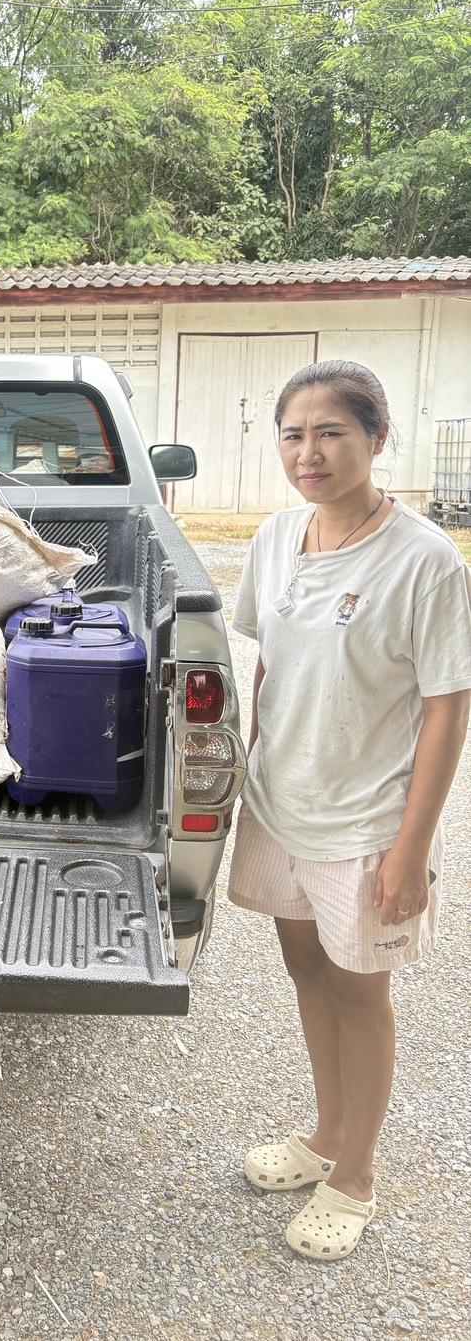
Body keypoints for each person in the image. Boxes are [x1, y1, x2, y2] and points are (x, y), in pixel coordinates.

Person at [226, 359, 471, 1262]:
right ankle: (325, 1132)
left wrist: (414, 847)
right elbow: (266, 667)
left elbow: (449, 705)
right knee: (306, 969)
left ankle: (357, 1171)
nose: (310, 452)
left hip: (365, 824)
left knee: (360, 992)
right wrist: (239, 769)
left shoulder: (424, 560)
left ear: (377, 437)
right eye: (294, 434)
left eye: (331, 431)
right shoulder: (274, 538)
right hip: (280, 802)